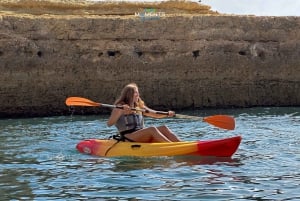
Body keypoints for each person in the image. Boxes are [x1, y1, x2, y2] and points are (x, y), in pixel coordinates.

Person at [107, 83, 181, 143]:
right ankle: (171, 146)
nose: (138, 95)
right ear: (128, 94)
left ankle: (181, 144)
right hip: (128, 136)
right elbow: (109, 123)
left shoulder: (139, 106)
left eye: (137, 92)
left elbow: (155, 114)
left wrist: (167, 114)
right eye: (135, 93)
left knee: (164, 128)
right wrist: (120, 110)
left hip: (141, 134)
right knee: (152, 129)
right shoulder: (120, 107)